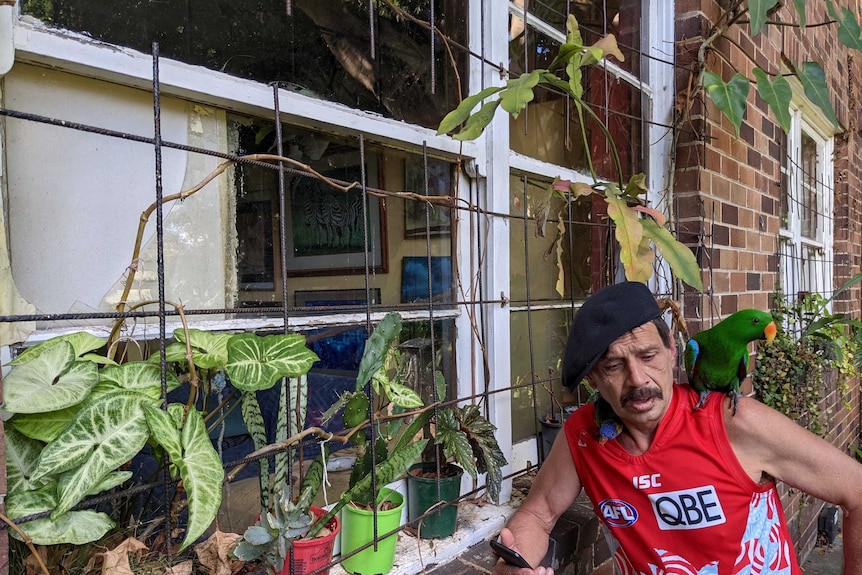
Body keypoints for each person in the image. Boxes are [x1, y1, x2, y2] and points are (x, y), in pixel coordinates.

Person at [493, 281, 862, 575]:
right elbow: (538, 514)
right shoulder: (583, 436)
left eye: (648, 356)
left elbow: (856, 490)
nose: (638, 380)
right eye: (613, 366)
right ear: (593, 378)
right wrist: (514, 563)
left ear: (673, 350)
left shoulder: (737, 423)